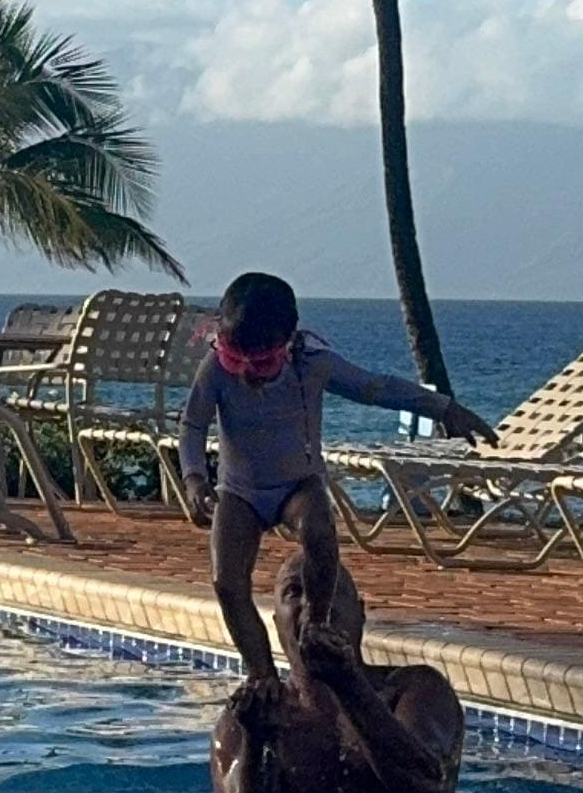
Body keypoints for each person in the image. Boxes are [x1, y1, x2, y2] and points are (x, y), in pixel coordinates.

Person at [179, 270, 494, 683]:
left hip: (297, 484)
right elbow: (193, 424)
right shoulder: (215, 370)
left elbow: (376, 388)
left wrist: (445, 408)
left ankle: (316, 624)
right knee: (226, 582)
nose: (247, 372)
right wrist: (194, 479)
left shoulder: (311, 362)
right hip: (240, 490)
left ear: (289, 340)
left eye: (264, 362)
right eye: (235, 358)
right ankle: (262, 676)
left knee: (319, 531)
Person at [209, 539, 464, 793]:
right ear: (277, 624)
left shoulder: (416, 691)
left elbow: (423, 789)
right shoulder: (247, 717)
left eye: (326, 586)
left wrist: (347, 683)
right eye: (294, 591)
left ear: (359, 613)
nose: (312, 604)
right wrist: (257, 743)